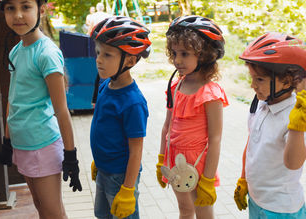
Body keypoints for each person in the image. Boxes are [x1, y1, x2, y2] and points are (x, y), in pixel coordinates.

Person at [0, 0, 82, 218]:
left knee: (52, 213)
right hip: (22, 143)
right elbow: (13, 99)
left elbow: (62, 110)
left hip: (42, 145)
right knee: (42, 209)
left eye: (26, 6)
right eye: (10, 8)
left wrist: (71, 154)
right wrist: (7, 141)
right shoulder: (16, 51)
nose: (18, 15)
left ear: (41, 10)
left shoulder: (46, 54)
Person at [156, 15, 228, 218]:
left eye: (185, 54)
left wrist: (207, 179)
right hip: (175, 160)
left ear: (204, 55)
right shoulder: (176, 85)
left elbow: (215, 139)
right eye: (175, 53)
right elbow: (166, 127)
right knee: (185, 210)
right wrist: (162, 159)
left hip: (199, 163)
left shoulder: (210, 93)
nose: (177, 60)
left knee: (203, 211)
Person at [234, 32, 306, 218]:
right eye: (252, 78)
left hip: (280, 209)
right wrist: (244, 178)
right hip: (257, 200)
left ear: (287, 81)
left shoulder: (295, 115)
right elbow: (251, 144)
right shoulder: (262, 103)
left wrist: (297, 127)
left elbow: (294, 163)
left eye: (259, 79)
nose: (252, 85)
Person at [90, 16, 152, 219]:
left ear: (131, 60)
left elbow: (136, 150)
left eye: (107, 55)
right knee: (103, 215)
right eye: (98, 52)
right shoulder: (104, 85)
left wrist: (127, 190)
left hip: (120, 178)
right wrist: (98, 159)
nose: (99, 59)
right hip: (103, 170)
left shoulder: (133, 102)